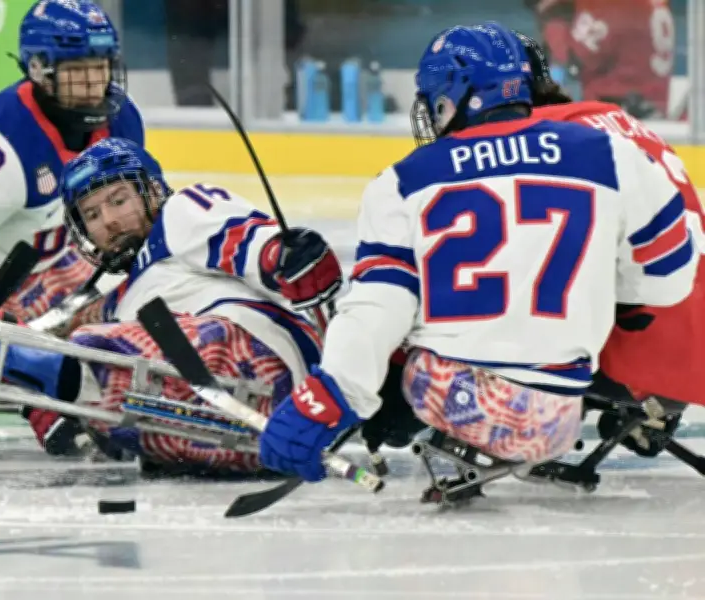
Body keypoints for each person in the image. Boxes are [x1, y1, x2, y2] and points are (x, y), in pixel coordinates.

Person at [256, 22, 697, 485]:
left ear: (454, 96)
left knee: (405, 320)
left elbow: (377, 311)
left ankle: (441, 443)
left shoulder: (404, 181)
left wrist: (326, 398)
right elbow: (667, 278)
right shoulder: (612, 151)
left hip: (458, 402)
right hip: (561, 414)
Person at [0, 137, 342, 470]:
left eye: (119, 200)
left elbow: (238, 237)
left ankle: (29, 367)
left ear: (153, 191)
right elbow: (66, 327)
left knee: (92, 350)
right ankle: (43, 386)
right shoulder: (121, 300)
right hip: (243, 436)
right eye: (92, 214)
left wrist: (279, 256)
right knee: (85, 345)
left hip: (264, 365)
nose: (109, 221)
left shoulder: (180, 212)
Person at [0, 0, 143, 416]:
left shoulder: (123, 120)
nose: (93, 82)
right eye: (77, 70)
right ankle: (39, 391)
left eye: (101, 65)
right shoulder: (3, 145)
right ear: (39, 71)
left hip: (58, 281)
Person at [519, 32, 705, 456]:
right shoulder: (611, 119)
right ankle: (654, 406)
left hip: (647, 355)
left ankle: (523, 426)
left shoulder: (545, 145)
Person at [525, 0, 674, 117]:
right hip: (653, 106)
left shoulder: (606, 5)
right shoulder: (650, 3)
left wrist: (554, 18)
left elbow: (573, 63)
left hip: (620, 113)